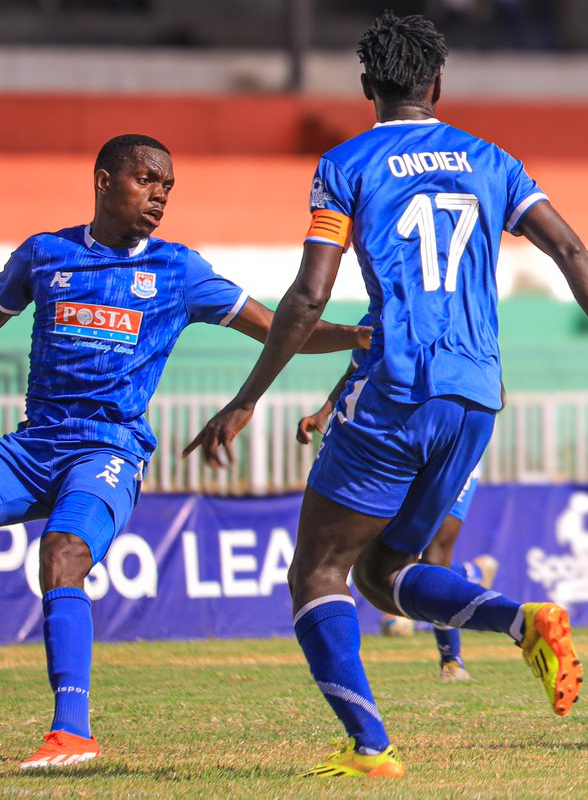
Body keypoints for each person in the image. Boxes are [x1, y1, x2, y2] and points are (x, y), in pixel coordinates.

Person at [187, 12, 588, 779]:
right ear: (437, 85)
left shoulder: (346, 164)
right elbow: (572, 249)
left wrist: (250, 394)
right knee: (386, 573)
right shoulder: (493, 161)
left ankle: (370, 746)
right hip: (476, 394)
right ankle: (525, 620)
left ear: (365, 88)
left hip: (398, 385)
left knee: (318, 571)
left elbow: (311, 295)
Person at [0, 134, 368, 771]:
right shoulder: (42, 254)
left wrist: (358, 335)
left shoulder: (179, 270)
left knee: (62, 553)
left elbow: (278, 324)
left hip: (107, 448)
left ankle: (71, 733)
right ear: (103, 179)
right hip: (33, 443)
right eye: (146, 180)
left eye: (166, 187)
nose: (159, 196)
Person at [296, 347, 500, 681]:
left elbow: (495, 390)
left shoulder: (459, 317)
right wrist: (325, 411)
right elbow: (357, 365)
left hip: (451, 440)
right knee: (386, 548)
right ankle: (472, 572)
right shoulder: (386, 311)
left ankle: (452, 660)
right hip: (401, 442)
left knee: (435, 555)